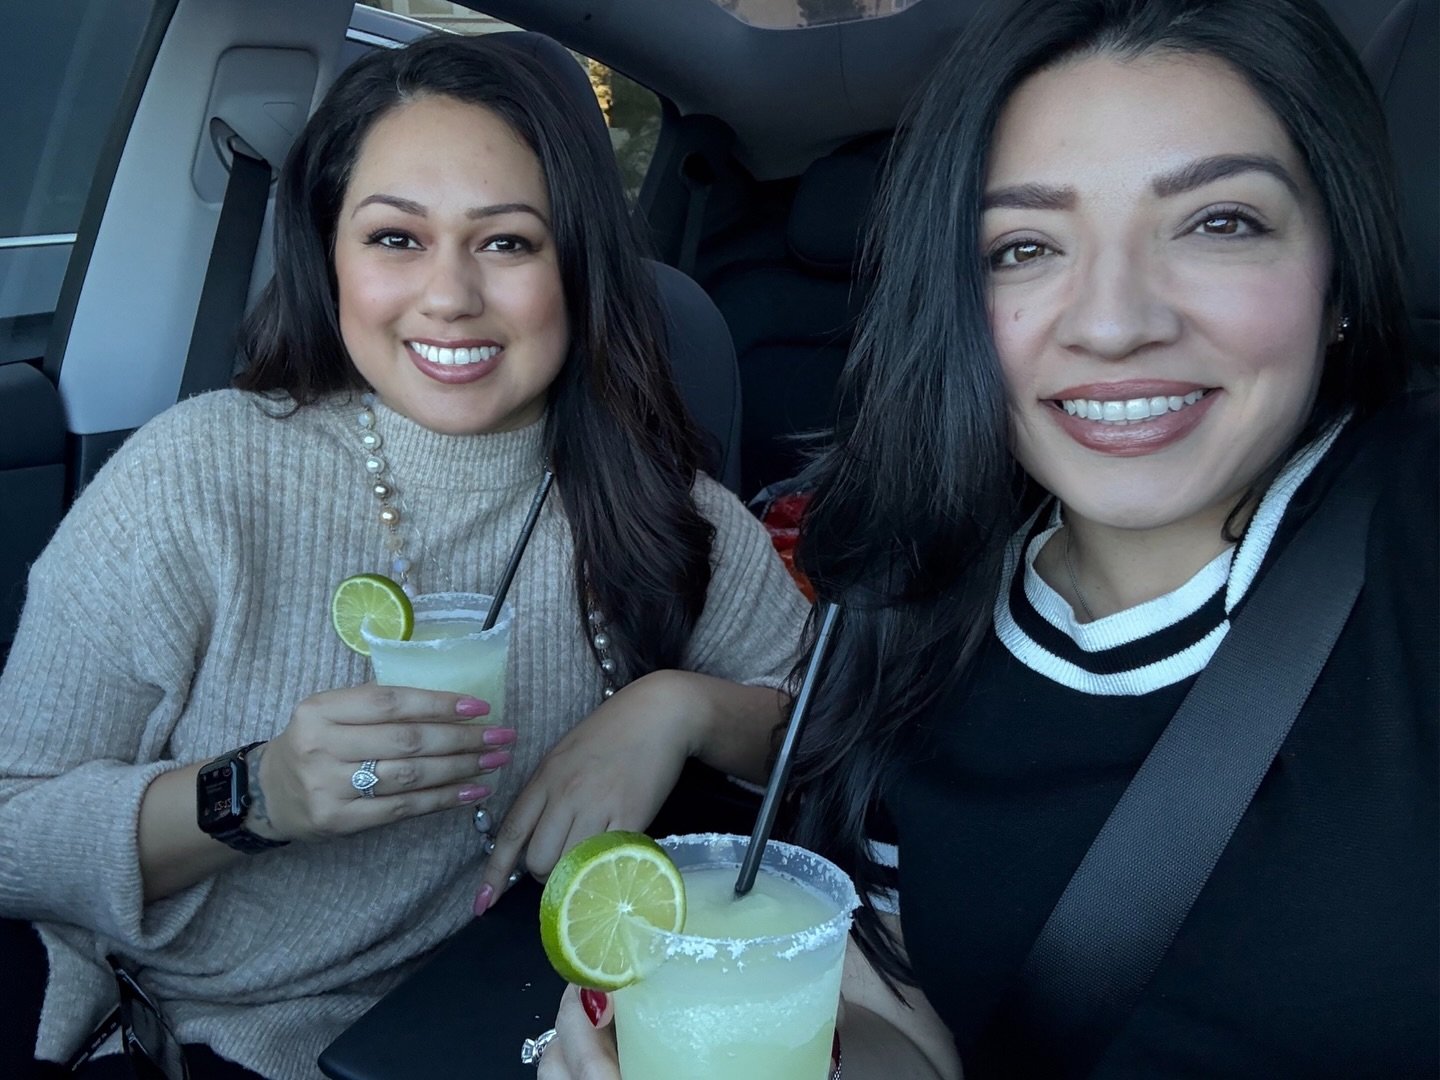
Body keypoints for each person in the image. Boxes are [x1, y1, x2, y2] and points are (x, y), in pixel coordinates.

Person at [538, 0, 1438, 1076]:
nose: (1112, 321)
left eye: (1219, 223)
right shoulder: (912, 597)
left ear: (1338, 271)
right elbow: (914, 1018)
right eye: (1024, 247)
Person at [0, 33, 809, 1080]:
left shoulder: (660, 506)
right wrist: (256, 796)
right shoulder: (198, 477)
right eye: (395, 239)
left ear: (577, 263)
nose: (450, 297)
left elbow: (827, 740)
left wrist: (678, 709)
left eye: (508, 243)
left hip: (521, 1024)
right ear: (330, 252)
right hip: (217, 1040)